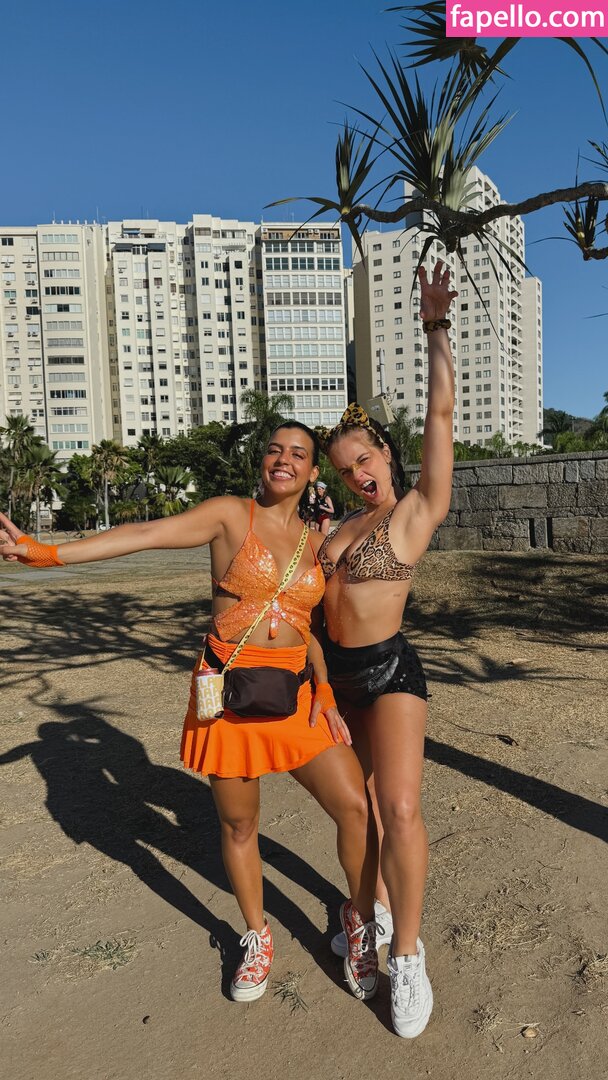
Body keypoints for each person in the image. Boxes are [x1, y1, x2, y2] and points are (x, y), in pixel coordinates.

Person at [0, 421, 379, 1005]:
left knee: (355, 807)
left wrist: (325, 691)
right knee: (239, 825)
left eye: (298, 454)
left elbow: (306, 627)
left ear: (311, 471)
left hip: (296, 694)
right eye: (274, 450)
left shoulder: (313, 539)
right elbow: (145, 533)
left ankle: (358, 918)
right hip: (229, 695)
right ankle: (257, 935)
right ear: (263, 461)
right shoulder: (230, 515)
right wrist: (48, 553)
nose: (283, 459)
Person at [318, 260, 456, 1038]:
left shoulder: (414, 511)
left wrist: (435, 327)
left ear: (385, 451)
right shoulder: (337, 526)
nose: (357, 475)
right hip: (334, 681)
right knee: (360, 812)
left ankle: (407, 955)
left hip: (390, 672)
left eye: (364, 460)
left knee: (399, 807)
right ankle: (368, 912)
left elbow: (441, 413)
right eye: (345, 470)